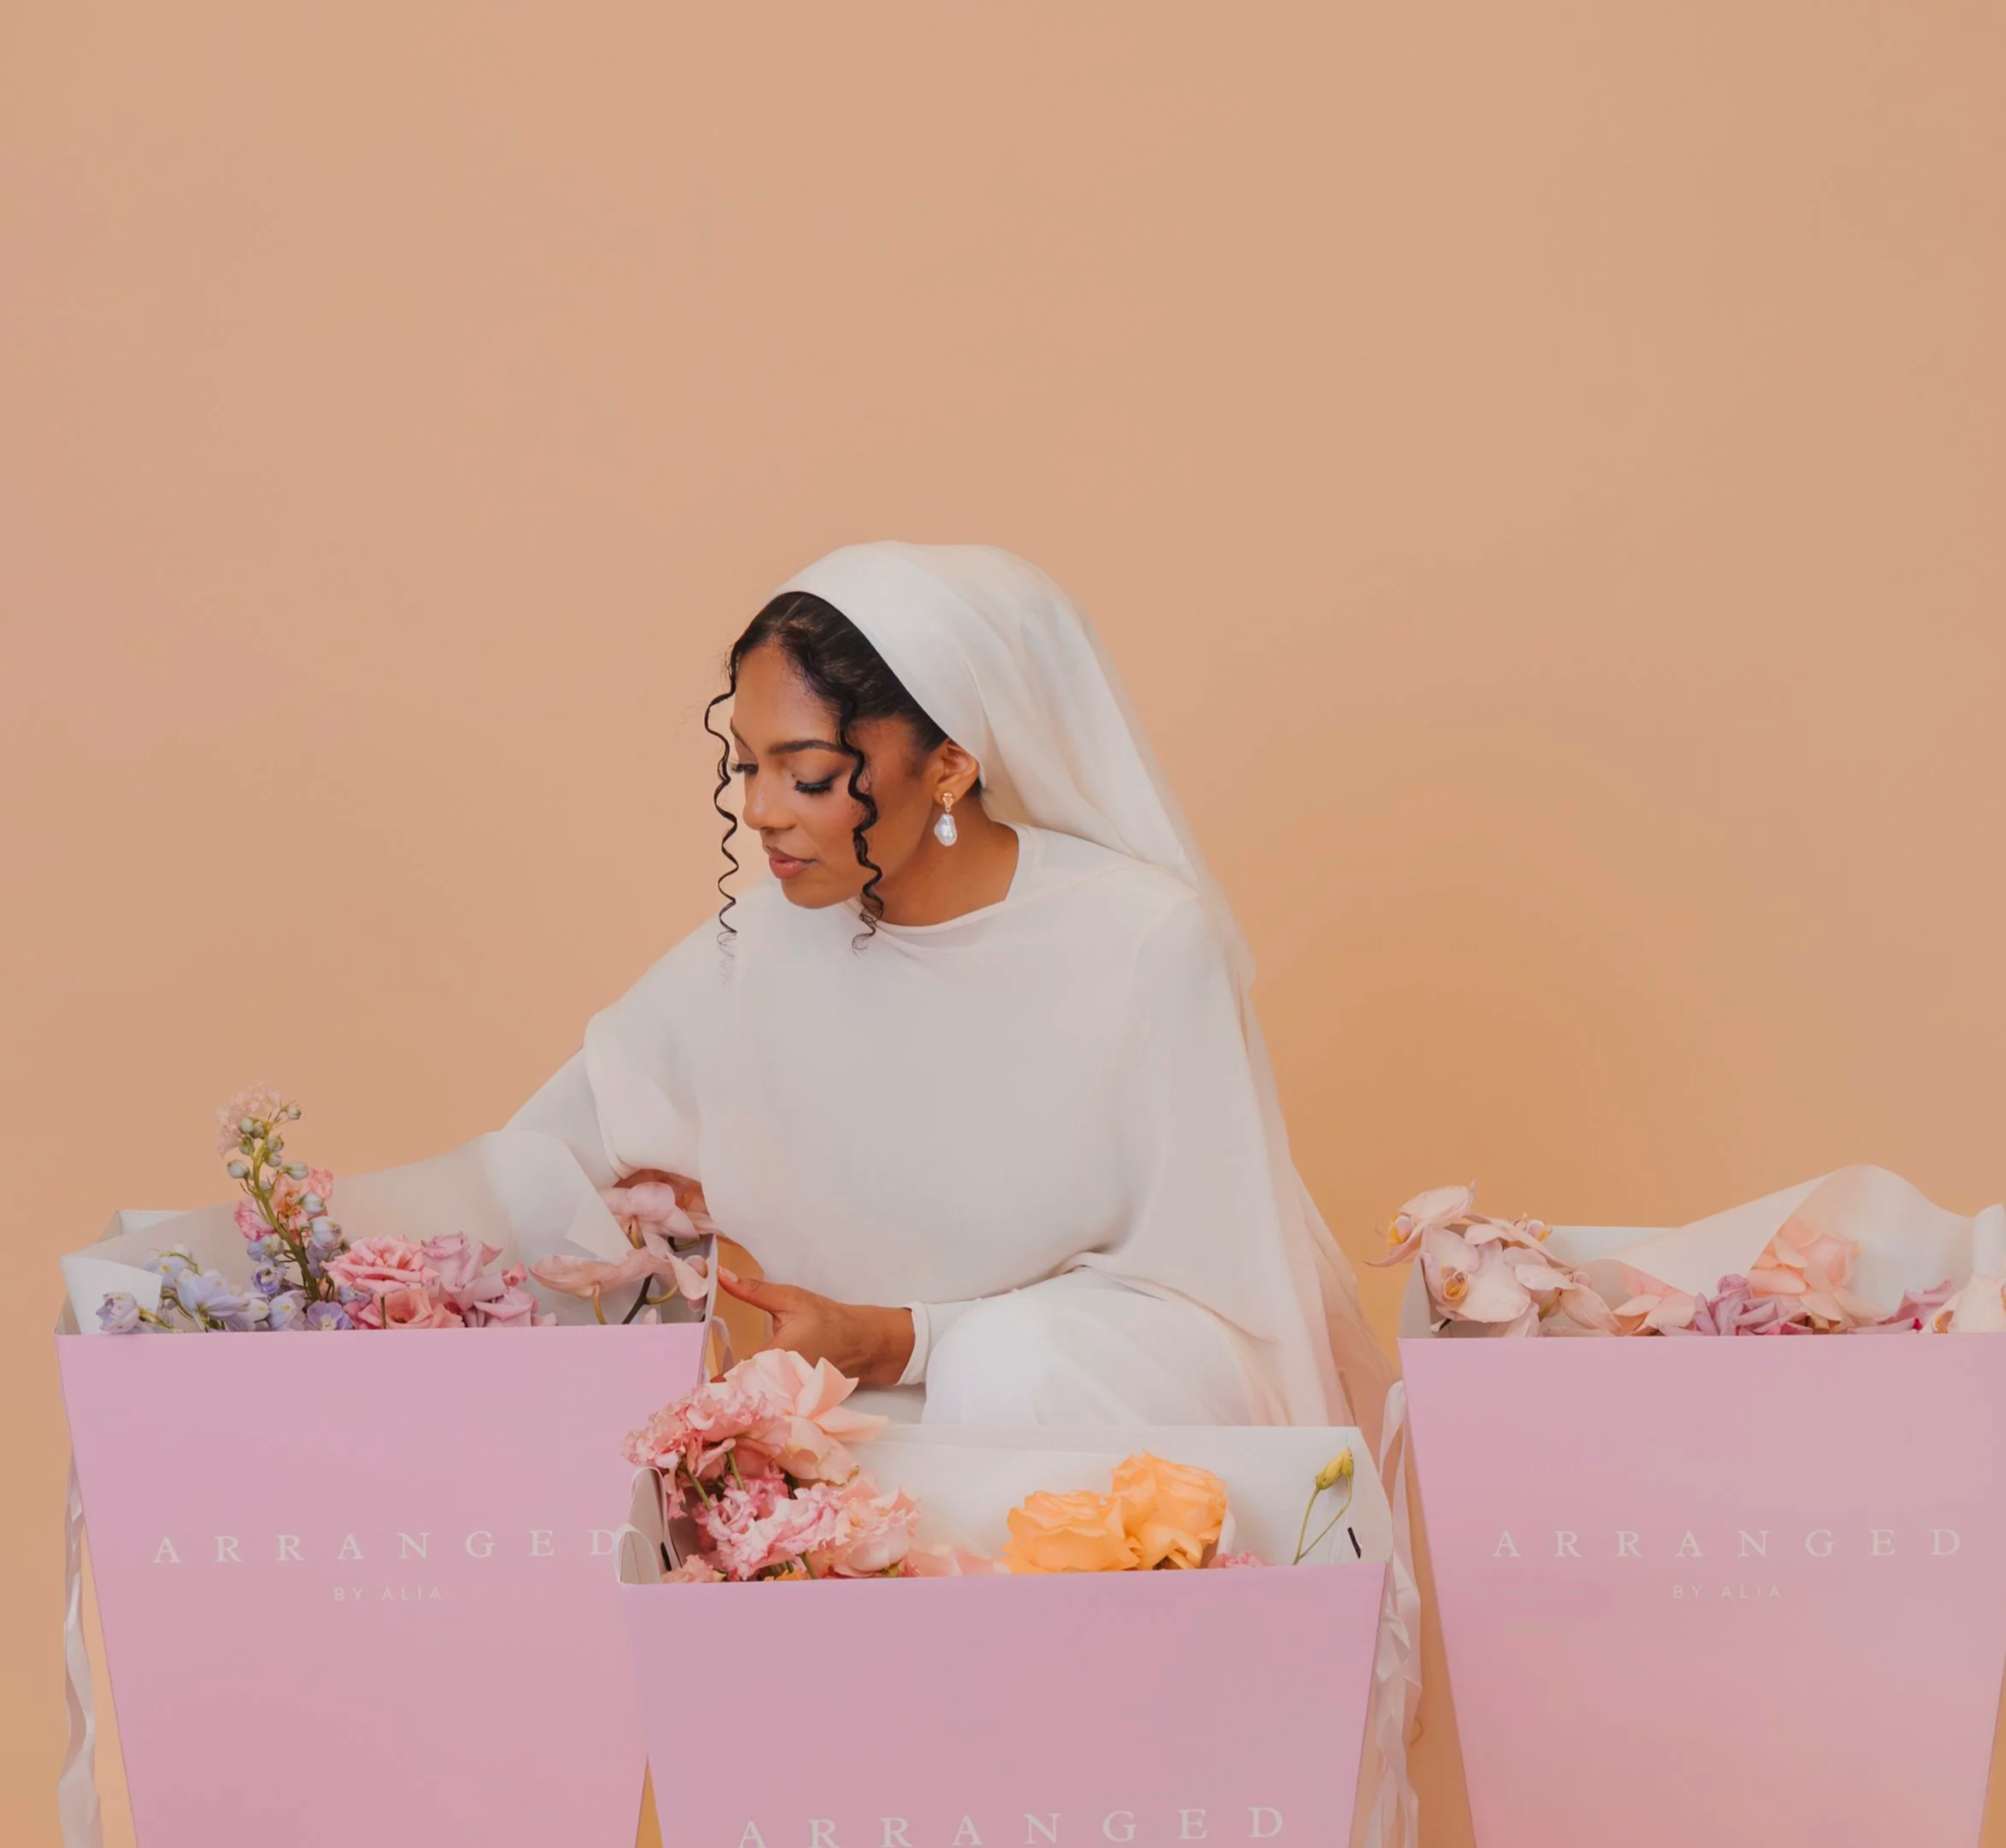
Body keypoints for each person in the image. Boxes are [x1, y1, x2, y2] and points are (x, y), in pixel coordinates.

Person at [513, 542, 1384, 1436]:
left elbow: (1206, 1291)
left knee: (1010, 1369)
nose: (761, 811)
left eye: (807, 776)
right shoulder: (756, 943)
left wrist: (906, 1341)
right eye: (746, 767)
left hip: (1102, 1409)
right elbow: (531, 1167)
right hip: (844, 1420)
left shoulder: (1142, 940)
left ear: (950, 766)